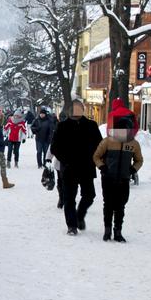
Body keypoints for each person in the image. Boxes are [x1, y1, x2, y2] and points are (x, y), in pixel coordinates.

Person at [50, 99, 102, 235]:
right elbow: (55, 147)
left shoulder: (91, 125)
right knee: (69, 198)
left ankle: (80, 215)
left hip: (87, 167)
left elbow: (100, 145)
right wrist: (65, 160)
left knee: (90, 195)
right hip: (69, 168)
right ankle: (71, 226)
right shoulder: (62, 126)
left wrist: (96, 159)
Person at [93, 116, 143, 242]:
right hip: (108, 178)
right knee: (108, 205)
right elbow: (96, 156)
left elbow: (139, 160)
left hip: (124, 179)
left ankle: (118, 231)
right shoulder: (107, 142)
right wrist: (102, 167)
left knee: (120, 206)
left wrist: (133, 169)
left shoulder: (133, 144)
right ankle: (107, 230)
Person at [45, 110, 68, 209]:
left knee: (62, 180)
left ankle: (63, 198)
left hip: (63, 160)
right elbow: (53, 144)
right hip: (63, 161)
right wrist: (49, 157)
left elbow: (53, 145)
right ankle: (63, 198)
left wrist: (48, 157)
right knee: (64, 180)